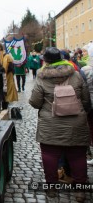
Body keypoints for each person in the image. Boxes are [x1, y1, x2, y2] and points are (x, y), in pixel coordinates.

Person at [29, 47, 91, 201]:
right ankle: (80, 192)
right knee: (78, 157)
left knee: (49, 156)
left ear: (46, 61)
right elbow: (85, 100)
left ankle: (51, 189)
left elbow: (35, 102)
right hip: (76, 123)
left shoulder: (42, 77)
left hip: (50, 124)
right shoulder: (76, 74)